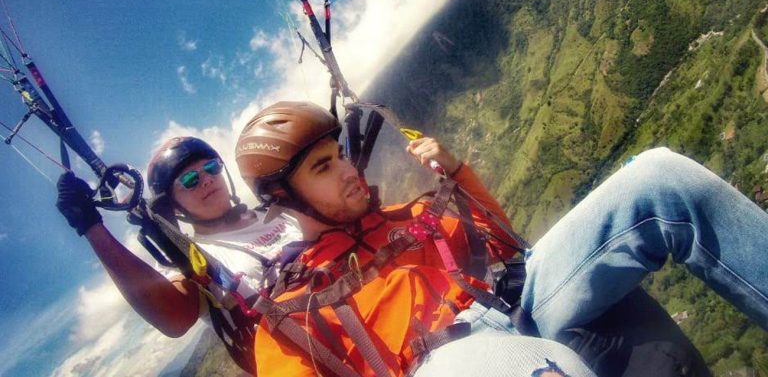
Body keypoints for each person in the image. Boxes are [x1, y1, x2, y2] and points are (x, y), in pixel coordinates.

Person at [234, 101, 768, 377]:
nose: (350, 171)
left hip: (513, 297)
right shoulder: (292, 315)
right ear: (286, 199)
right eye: (324, 167)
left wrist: (457, 173)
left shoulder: (403, 215)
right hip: (443, 359)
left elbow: (505, 244)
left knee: (660, 179)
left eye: (341, 155)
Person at [55, 136, 302, 372]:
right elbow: (173, 319)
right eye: (190, 180)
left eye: (212, 167)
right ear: (173, 204)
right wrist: (90, 227)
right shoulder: (192, 261)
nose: (207, 179)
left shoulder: (279, 209)